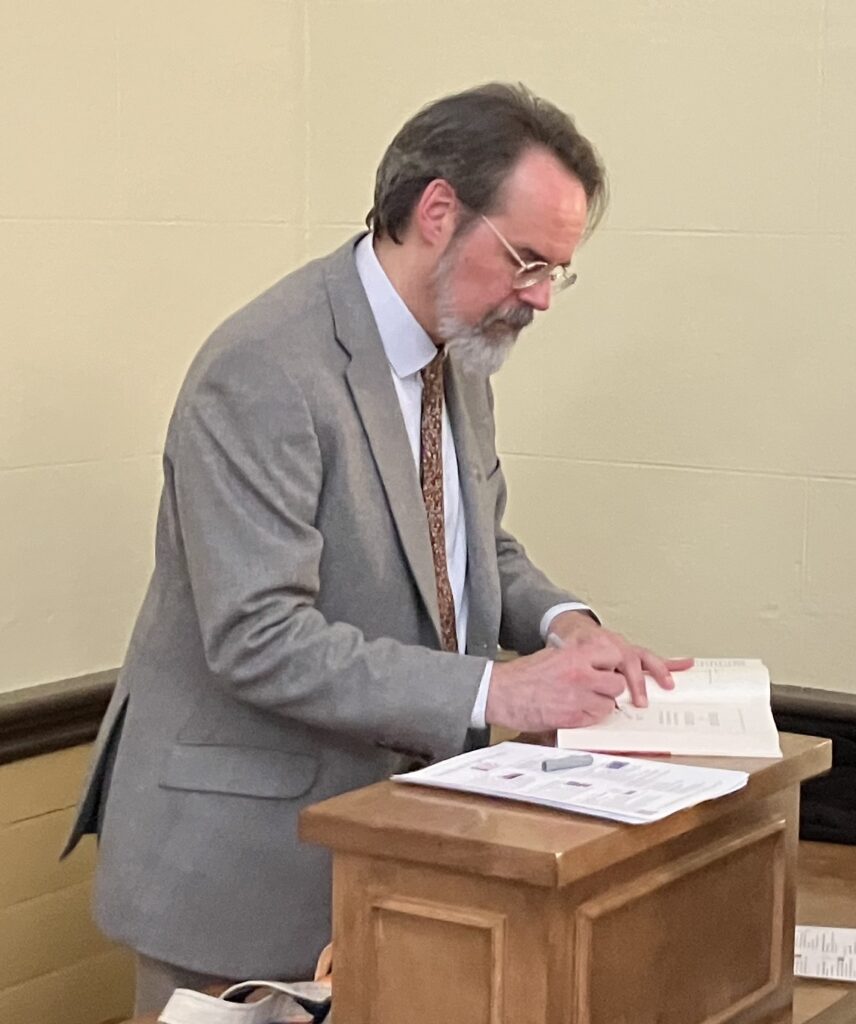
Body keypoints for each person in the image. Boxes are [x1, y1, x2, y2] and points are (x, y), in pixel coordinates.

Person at [63, 82, 689, 1013]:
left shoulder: (459, 355)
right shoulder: (266, 368)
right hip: (241, 865)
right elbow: (258, 636)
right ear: (438, 212)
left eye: (557, 272)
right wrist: (498, 691)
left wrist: (569, 627)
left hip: (395, 839)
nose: (539, 298)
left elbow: (473, 549)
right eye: (527, 261)